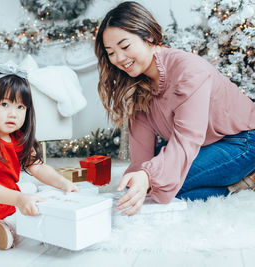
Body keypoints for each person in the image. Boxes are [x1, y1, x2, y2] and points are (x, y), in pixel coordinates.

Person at [94, 1, 255, 216]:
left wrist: (149, 177)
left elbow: (186, 140)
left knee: (165, 184)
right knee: (153, 182)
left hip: (242, 141)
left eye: (125, 46)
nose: (119, 59)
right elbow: (141, 156)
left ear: (149, 37)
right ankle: (234, 184)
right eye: (111, 53)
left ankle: (246, 178)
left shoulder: (188, 70)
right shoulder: (136, 84)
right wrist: (138, 179)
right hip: (205, 145)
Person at [0, 63, 78, 250]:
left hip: (3, 197)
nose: (13, 114)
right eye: (4, 104)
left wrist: (62, 183)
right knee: (27, 212)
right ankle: (2, 227)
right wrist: (19, 199)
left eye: (21, 107)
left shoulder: (17, 138)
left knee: (36, 192)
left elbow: (38, 167)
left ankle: (10, 218)